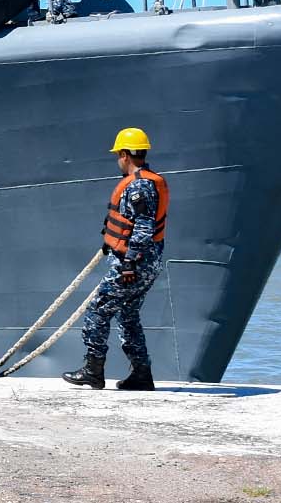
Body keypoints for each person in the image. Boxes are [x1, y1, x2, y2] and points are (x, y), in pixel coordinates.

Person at [64, 128, 169, 392]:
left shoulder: (139, 185)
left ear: (124, 154)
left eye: (118, 155)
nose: (117, 160)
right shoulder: (146, 181)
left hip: (134, 265)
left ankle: (93, 370)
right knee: (127, 314)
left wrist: (130, 262)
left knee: (98, 310)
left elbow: (143, 225)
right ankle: (141, 374)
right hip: (147, 262)